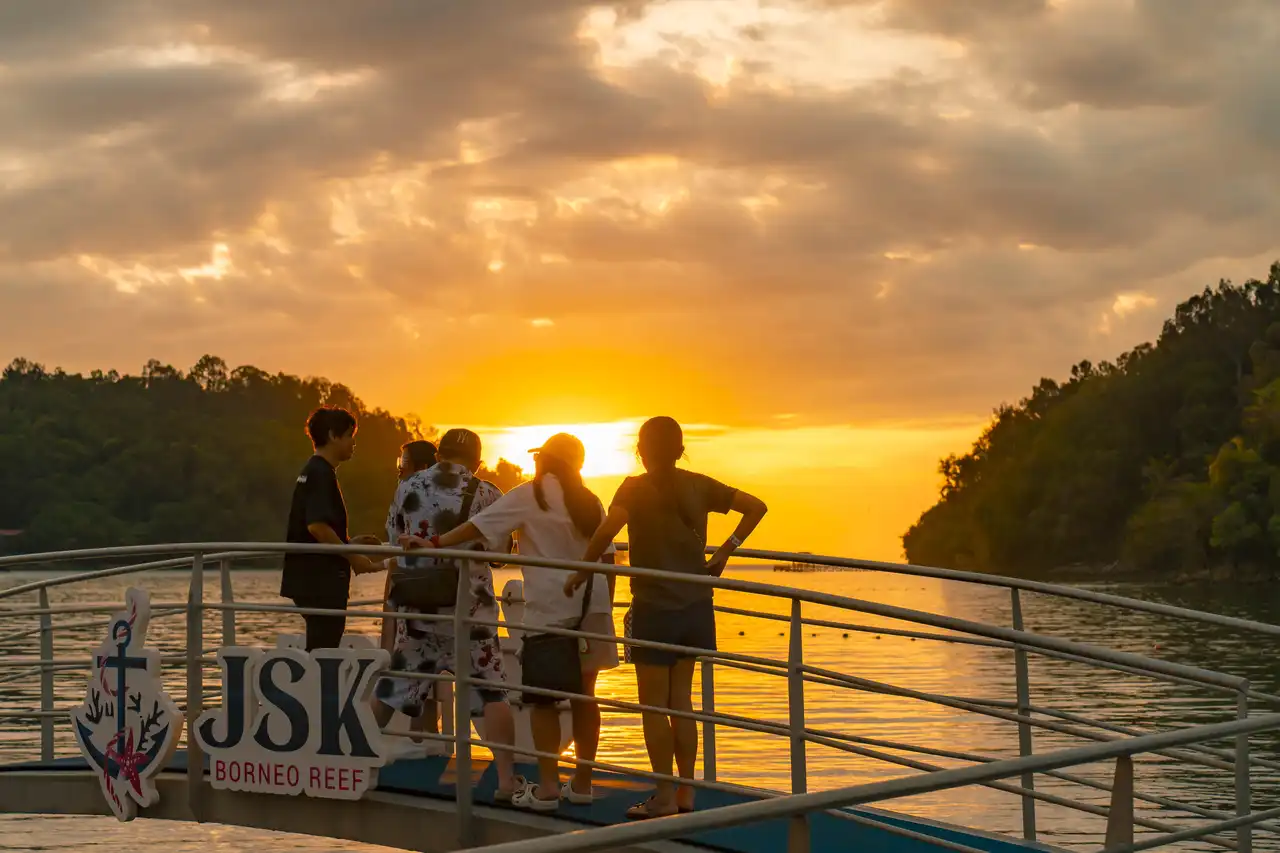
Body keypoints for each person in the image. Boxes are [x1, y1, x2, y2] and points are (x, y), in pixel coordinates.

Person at [565, 416, 767, 819]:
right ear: (679, 449)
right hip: (695, 604)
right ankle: (686, 793)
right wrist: (726, 549)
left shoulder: (634, 488)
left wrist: (581, 572)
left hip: (655, 607)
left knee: (654, 706)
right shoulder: (700, 484)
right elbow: (757, 508)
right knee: (682, 703)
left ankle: (662, 796)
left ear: (641, 450)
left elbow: (606, 532)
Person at [415, 433, 618, 811]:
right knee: (586, 698)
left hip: (551, 614)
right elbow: (608, 562)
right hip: (595, 609)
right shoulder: (591, 501)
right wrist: (604, 606)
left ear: (545, 460)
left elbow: (477, 527)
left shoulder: (531, 494)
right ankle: (584, 783)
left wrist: (436, 544)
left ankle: (548, 788)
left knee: (543, 701)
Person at [377, 428, 523, 801]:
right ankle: (507, 781)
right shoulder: (488, 493)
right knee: (493, 693)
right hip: (472, 613)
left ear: (439, 453)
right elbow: (501, 553)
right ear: (476, 460)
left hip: (419, 611)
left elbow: (395, 542)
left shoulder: (408, 486)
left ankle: (354, 760)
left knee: (394, 687)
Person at [281, 406, 382, 651]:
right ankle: (318, 690)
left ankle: (316, 687)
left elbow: (318, 527)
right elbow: (317, 526)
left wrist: (349, 542)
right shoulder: (321, 473)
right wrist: (354, 557)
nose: (353, 443)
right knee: (323, 650)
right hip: (320, 580)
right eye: (349, 435)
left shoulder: (313, 471)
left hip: (308, 577)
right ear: (332, 435)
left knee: (320, 646)